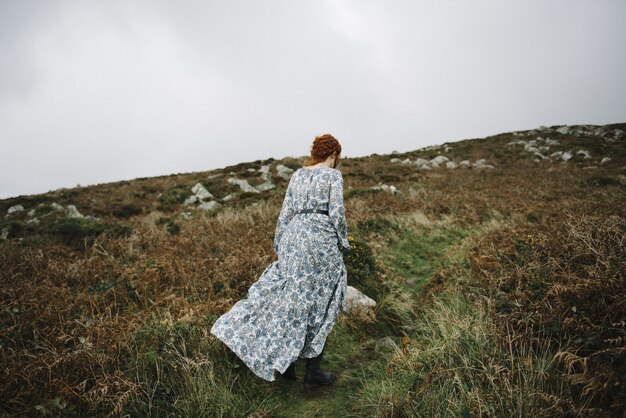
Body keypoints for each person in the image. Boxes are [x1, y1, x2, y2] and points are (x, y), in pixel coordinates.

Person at [210, 134, 351, 388]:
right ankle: (313, 373)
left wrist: (280, 244)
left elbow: (285, 212)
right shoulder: (332, 176)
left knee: (292, 298)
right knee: (321, 301)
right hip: (321, 240)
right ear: (333, 155)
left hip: (293, 237)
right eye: (336, 157)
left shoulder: (297, 175)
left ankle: (285, 365)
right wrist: (343, 242)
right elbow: (337, 213)